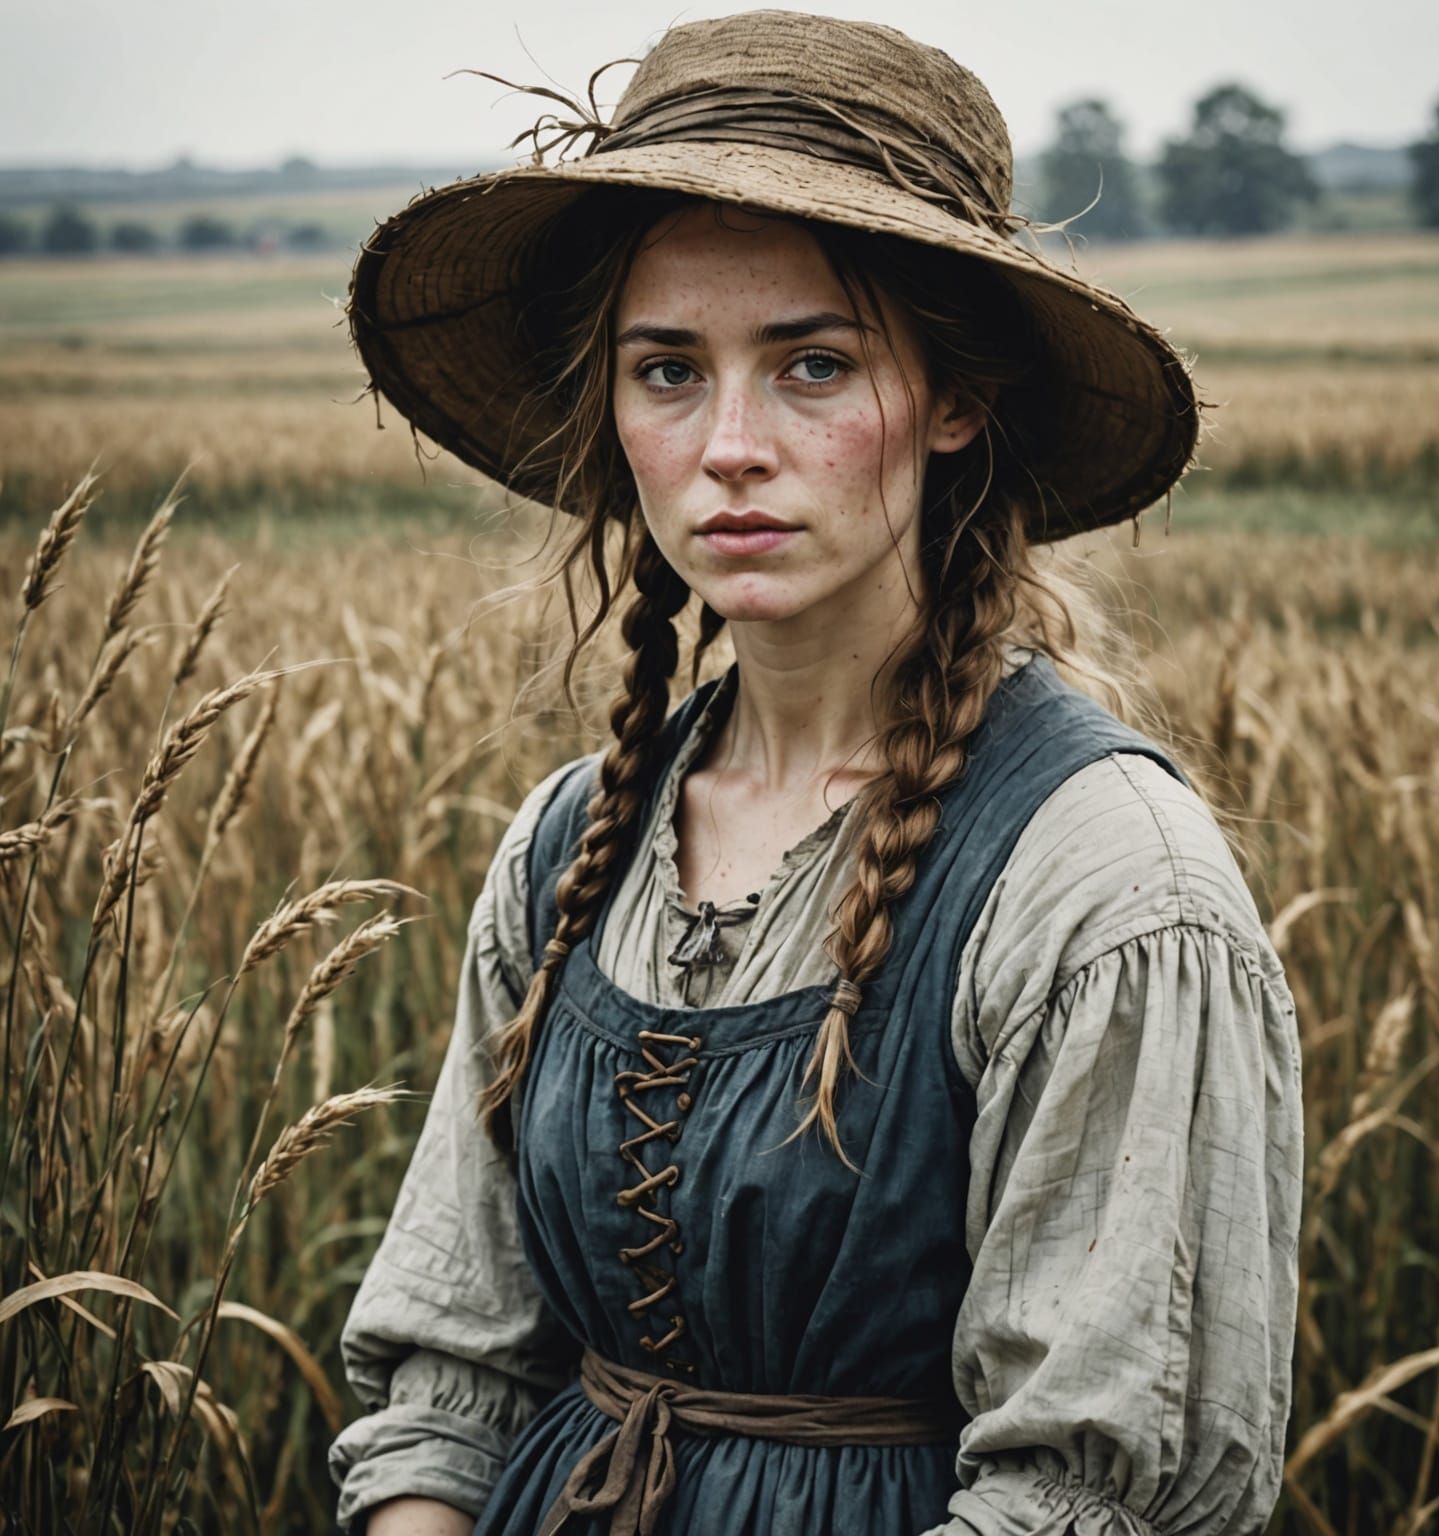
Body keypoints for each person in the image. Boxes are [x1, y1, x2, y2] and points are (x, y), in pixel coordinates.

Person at [329, 11, 1303, 1535]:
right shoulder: (570, 849)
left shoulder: (1104, 886)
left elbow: (1086, 1493)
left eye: (814, 365)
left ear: (956, 400)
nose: (730, 445)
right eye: (668, 370)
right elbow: (446, 1386)